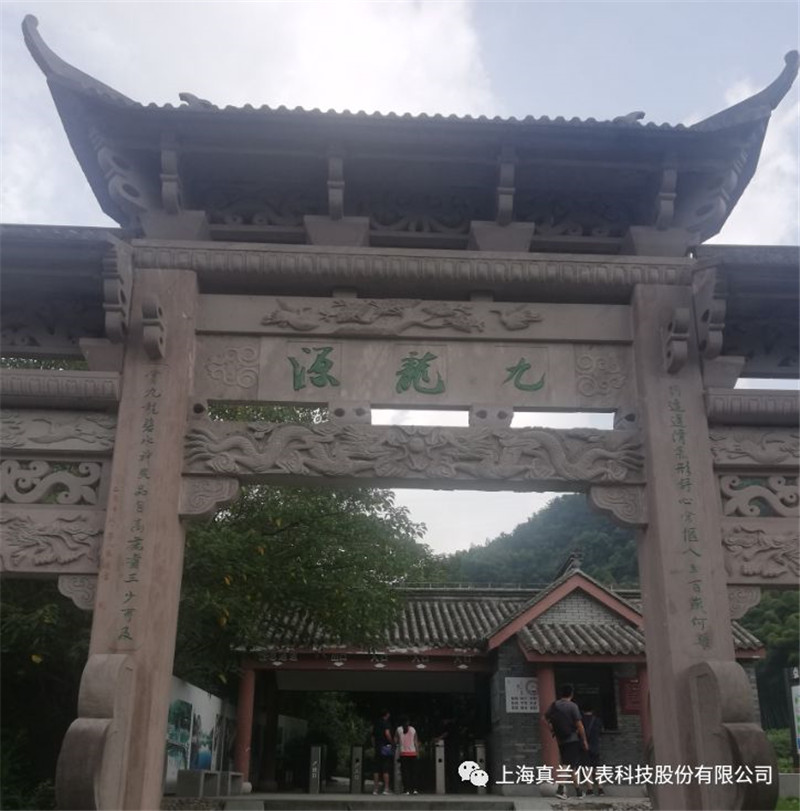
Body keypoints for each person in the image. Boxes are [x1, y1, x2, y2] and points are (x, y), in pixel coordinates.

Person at [545, 683, 588, 799]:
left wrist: (552, 730)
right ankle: (560, 790)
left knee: (570, 764)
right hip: (572, 739)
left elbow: (544, 719)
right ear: (571, 694)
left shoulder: (554, 705)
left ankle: (578, 791)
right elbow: (579, 725)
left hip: (561, 739)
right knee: (567, 765)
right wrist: (584, 740)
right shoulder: (572, 706)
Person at [581, 704, 605, 796]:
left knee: (587, 768)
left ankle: (590, 789)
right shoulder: (597, 720)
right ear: (592, 710)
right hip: (595, 746)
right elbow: (601, 732)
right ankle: (600, 788)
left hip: (584, 746)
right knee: (596, 768)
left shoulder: (581, 720)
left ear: (583, 711)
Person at [395, 717, 420, 794]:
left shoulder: (398, 729)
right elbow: (416, 742)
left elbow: (396, 740)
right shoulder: (413, 729)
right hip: (413, 753)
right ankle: (414, 789)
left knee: (405, 772)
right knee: (413, 772)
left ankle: (407, 789)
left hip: (403, 753)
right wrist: (417, 752)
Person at [372, 709, 393, 795]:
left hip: (377, 747)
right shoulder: (386, 723)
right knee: (385, 768)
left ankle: (375, 789)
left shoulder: (376, 723)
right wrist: (392, 742)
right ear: (387, 714)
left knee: (376, 769)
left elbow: (373, 737)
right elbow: (387, 733)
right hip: (385, 747)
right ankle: (386, 789)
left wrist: (374, 746)